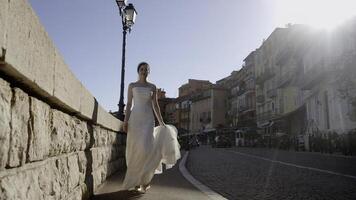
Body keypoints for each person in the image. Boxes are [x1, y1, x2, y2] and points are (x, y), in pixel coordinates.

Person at [121, 62, 181, 193]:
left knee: (146, 148)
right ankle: (137, 181)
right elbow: (129, 103)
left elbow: (155, 105)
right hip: (135, 120)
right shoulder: (132, 85)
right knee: (135, 150)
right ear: (138, 71)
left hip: (148, 120)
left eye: (146, 69)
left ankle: (145, 179)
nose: (143, 71)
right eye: (142, 69)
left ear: (149, 72)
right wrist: (125, 121)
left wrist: (161, 122)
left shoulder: (152, 87)